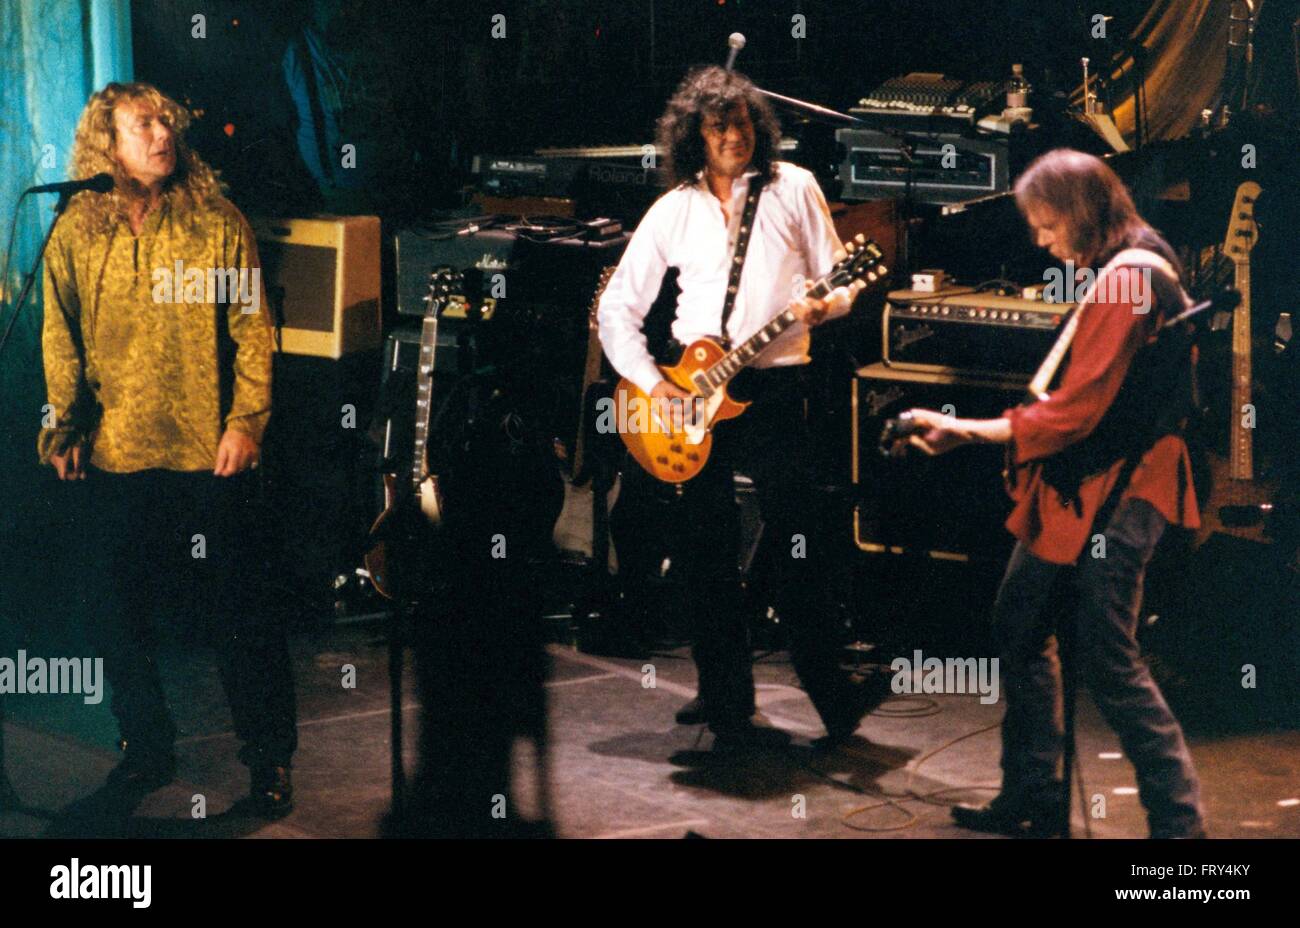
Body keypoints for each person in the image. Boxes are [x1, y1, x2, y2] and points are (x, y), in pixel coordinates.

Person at [893, 149, 1206, 838]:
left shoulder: (1130, 279)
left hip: (1124, 490)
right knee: (1019, 622)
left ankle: (1182, 835)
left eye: (1045, 225)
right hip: (1080, 487)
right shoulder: (1118, 268)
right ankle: (1033, 792)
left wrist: (960, 429)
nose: (1039, 241)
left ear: (1081, 211)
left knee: (1109, 659)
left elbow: (1074, 413)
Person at [597, 66, 889, 747]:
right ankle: (725, 699)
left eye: (742, 122)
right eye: (718, 124)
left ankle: (833, 699)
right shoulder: (675, 208)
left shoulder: (795, 188)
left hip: (778, 387)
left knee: (799, 543)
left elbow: (837, 276)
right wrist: (653, 382)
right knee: (704, 552)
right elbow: (618, 309)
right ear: (693, 135)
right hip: (691, 398)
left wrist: (828, 302)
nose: (734, 134)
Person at [40, 82, 298, 818]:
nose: (160, 134)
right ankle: (145, 749)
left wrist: (247, 420)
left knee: (240, 616)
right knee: (115, 615)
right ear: (107, 145)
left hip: (205, 456)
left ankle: (269, 759)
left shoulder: (216, 222)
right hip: (115, 454)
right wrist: (60, 427)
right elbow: (58, 333)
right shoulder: (77, 228)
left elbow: (254, 327)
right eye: (141, 125)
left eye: (164, 122)